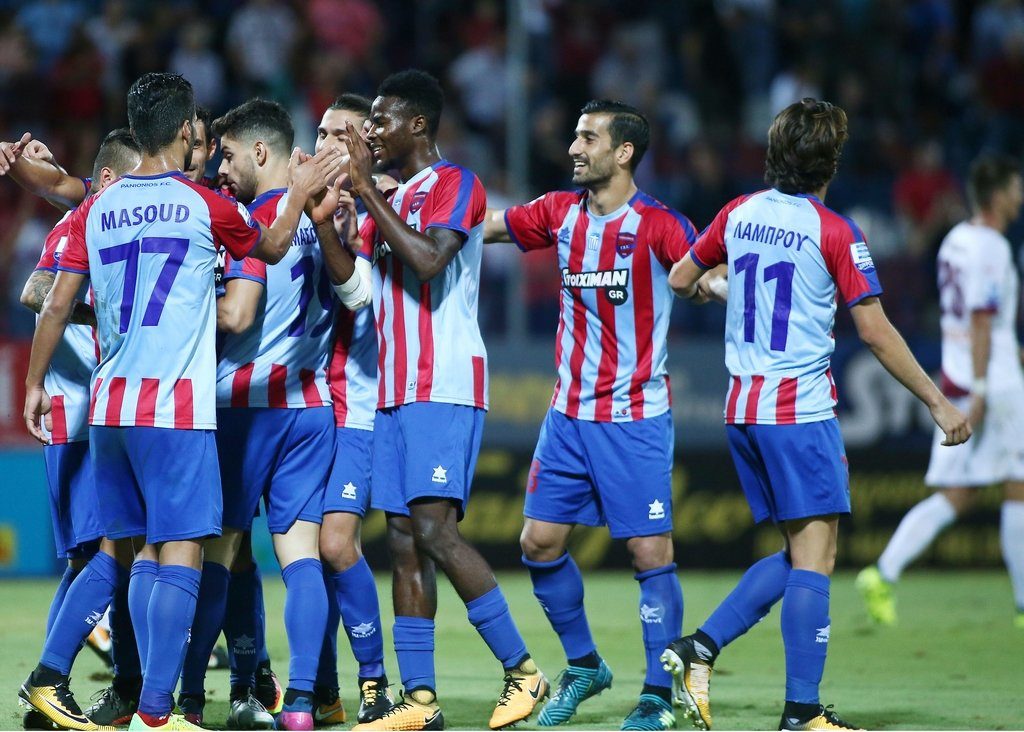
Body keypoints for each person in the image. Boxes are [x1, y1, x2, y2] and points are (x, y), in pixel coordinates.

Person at [21, 72, 338, 732]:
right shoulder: (203, 204)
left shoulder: (98, 207)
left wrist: (32, 384)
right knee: (184, 553)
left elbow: (53, 302)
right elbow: (272, 245)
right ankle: (158, 711)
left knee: (125, 553)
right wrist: (299, 192)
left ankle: (84, 686)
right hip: (175, 409)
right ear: (187, 129)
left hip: (109, 410)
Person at [662, 98, 971, 732]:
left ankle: (700, 648)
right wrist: (937, 400)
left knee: (802, 553)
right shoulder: (834, 231)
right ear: (832, 161)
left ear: (774, 153)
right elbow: (875, 331)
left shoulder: (738, 212)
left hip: (742, 408)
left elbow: (680, 278)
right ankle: (801, 712)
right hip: (797, 411)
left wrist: (720, 286)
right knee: (816, 560)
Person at [340, 69, 548, 731]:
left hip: (444, 381)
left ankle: (523, 670)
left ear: (419, 125)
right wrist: (331, 218)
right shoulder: (388, 197)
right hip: (394, 388)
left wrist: (365, 192)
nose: (371, 130)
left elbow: (430, 259)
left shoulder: (457, 183)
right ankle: (420, 700)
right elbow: (362, 291)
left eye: (382, 119)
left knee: (434, 532)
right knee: (403, 542)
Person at [483, 99, 695, 731]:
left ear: (623, 152)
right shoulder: (559, 212)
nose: (574, 148)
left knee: (649, 552)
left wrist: (714, 284)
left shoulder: (659, 224)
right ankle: (585, 666)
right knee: (538, 542)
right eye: (575, 136)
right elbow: (486, 225)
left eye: (588, 138)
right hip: (568, 416)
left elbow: (698, 272)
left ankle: (658, 695)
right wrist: (408, 208)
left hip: (634, 417)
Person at [172, 97, 364, 731]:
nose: (220, 169)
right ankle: (303, 704)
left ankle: (189, 700)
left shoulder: (249, 223)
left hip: (241, 411)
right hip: (310, 409)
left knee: (217, 556)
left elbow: (238, 314)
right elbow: (352, 294)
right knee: (301, 557)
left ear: (261, 151)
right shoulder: (326, 218)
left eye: (228, 156)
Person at [857, 155, 1024, 629]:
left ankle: (883, 571)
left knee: (959, 494)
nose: (1020, 196)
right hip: (992, 383)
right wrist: (984, 386)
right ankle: (1023, 605)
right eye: (1015, 188)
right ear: (997, 194)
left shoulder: (954, 240)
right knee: (1018, 486)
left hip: (957, 375)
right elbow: (981, 319)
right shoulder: (992, 246)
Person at [15, 129, 143, 732]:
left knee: (86, 559)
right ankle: (50, 679)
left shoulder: (110, 224)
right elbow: (36, 291)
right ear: (111, 179)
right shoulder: (81, 224)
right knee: (107, 553)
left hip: (95, 416)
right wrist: (98, 311)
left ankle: (50, 691)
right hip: (76, 416)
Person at [312, 92, 395, 727]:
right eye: (320, 133)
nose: (323, 145)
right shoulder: (308, 201)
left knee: (338, 544)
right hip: (308, 409)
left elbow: (360, 295)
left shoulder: (379, 205)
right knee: (308, 557)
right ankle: (322, 691)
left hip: (359, 407)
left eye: (338, 135)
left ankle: (375, 683)